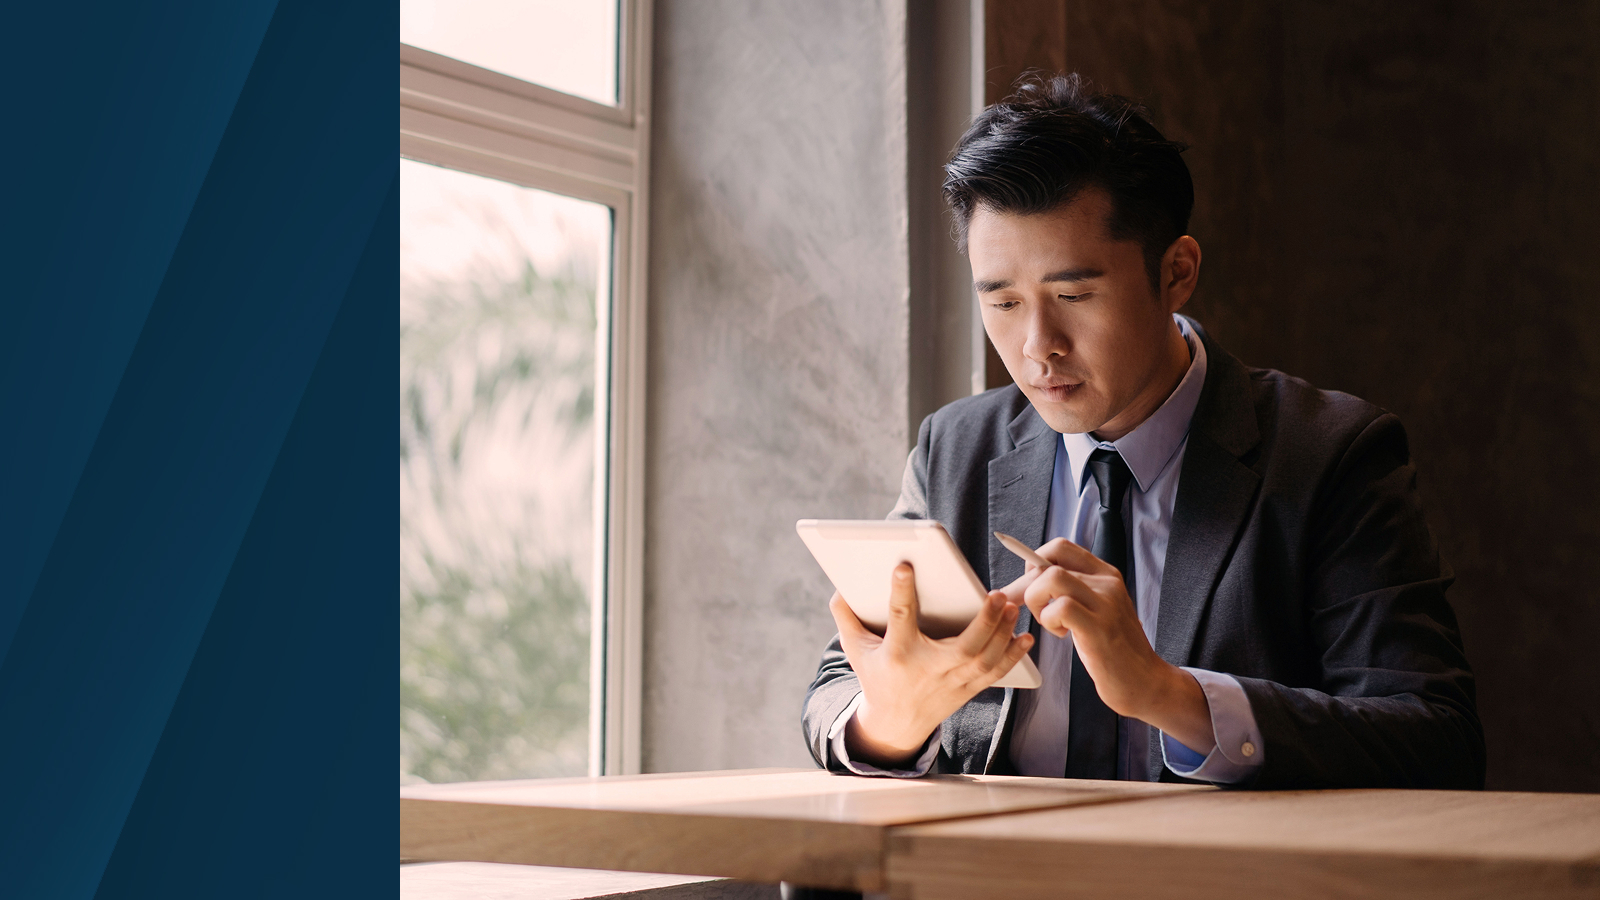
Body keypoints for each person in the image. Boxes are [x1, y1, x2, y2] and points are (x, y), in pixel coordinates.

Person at [801, 74, 1484, 788]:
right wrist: (893, 720)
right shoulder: (958, 449)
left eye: (1073, 295)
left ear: (1177, 272)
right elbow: (834, 693)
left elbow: (1434, 739)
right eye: (1002, 302)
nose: (1038, 345)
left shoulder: (1330, 455)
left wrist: (1168, 694)